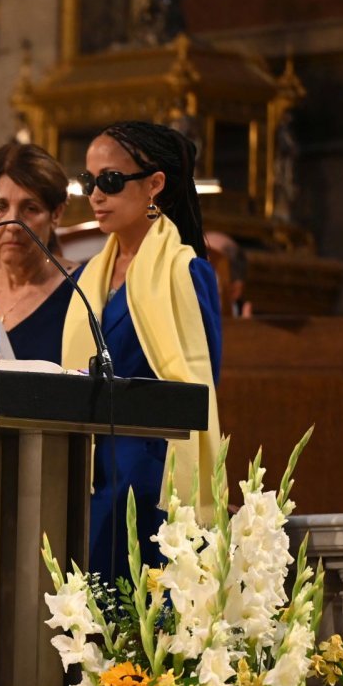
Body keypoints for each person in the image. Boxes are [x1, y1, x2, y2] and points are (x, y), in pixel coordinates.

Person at [61, 121, 222, 582]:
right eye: (89, 182)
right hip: (86, 468)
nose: (95, 196)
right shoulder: (85, 278)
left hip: (153, 475)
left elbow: (202, 384)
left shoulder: (186, 273)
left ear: (154, 184)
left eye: (110, 181)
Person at [0, 142, 79, 363]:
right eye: (0, 207)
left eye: (30, 208)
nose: (13, 224)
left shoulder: (82, 290)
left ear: (56, 214)